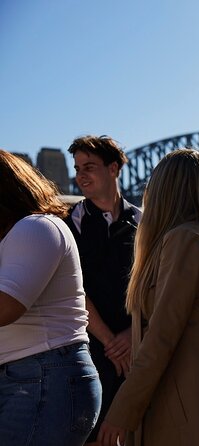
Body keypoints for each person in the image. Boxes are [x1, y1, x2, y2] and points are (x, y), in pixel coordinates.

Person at [98, 149, 199, 446]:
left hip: (186, 405)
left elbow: (162, 335)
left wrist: (122, 409)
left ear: (164, 191)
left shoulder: (185, 239)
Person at [0, 150, 102, 445]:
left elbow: (6, 307)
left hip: (44, 377)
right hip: (29, 377)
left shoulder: (36, 227)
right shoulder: (13, 239)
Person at [65, 135, 142, 445]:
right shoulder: (72, 223)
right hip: (91, 351)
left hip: (135, 346)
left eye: (89, 167)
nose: (80, 175)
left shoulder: (143, 222)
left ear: (113, 169)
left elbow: (154, 285)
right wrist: (111, 341)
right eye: (77, 168)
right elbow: (73, 290)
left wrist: (133, 334)